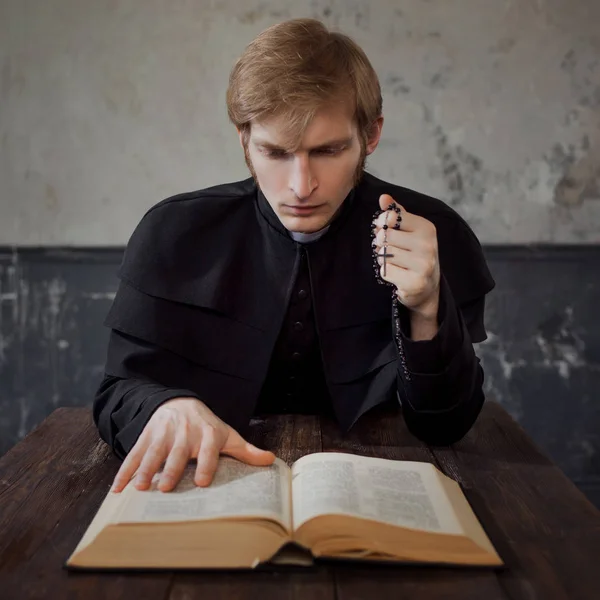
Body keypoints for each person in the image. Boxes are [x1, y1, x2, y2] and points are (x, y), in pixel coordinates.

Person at [94, 18, 495, 495]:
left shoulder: (434, 232)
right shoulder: (173, 232)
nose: (301, 186)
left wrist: (427, 306)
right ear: (244, 140)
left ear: (370, 136)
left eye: (327, 151)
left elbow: (446, 426)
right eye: (275, 152)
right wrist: (164, 408)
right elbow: (118, 392)